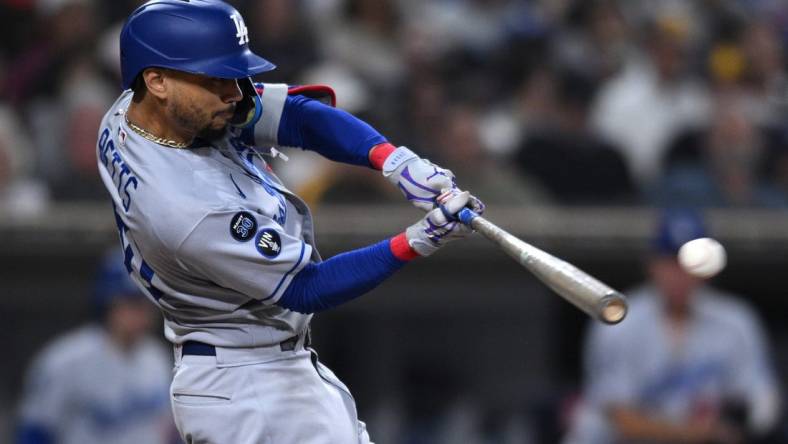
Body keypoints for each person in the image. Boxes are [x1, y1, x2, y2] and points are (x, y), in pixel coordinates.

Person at [96, 1, 483, 442]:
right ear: (158, 81)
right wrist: (419, 239)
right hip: (250, 388)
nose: (236, 93)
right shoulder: (186, 209)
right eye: (215, 79)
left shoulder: (140, 107)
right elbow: (307, 287)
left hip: (253, 369)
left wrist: (394, 160)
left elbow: (297, 116)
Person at [563, 209, 781, 444]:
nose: (679, 274)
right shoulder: (618, 319)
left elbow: (762, 401)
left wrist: (743, 419)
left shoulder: (735, 321)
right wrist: (698, 433)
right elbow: (621, 420)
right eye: (670, 262)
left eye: (690, 263)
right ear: (652, 264)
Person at [15, 250, 176, 444]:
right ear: (109, 302)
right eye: (132, 303)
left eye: (146, 303)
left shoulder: (157, 358)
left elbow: (172, 432)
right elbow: (35, 431)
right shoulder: (65, 359)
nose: (142, 313)